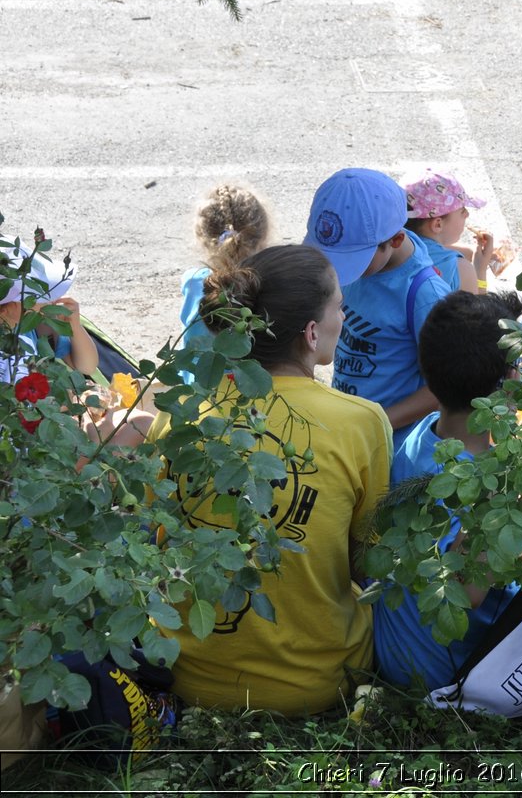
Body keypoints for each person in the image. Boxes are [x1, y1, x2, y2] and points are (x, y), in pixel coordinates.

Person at [169, 244, 391, 714]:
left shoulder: (179, 422)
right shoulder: (361, 422)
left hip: (189, 677)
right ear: (312, 333)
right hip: (317, 682)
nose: (344, 318)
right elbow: (367, 563)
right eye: (339, 307)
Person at [373, 289, 522, 692]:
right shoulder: (495, 486)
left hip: (392, 653)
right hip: (445, 674)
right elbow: (467, 593)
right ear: (508, 382)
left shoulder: (417, 438)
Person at [304, 168, 452, 442]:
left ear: (395, 240)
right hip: (349, 423)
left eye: (353, 259)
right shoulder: (364, 265)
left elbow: (445, 385)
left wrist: (375, 423)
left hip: (389, 444)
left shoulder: (425, 296)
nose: (338, 269)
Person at [177, 184, 272, 370]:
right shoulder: (272, 285)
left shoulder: (193, 282)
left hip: (196, 395)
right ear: (264, 236)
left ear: (201, 236)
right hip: (254, 395)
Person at [0, 235, 96, 383]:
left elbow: (87, 367)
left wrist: (74, 327)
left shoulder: (38, 325)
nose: (50, 299)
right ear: (4, 310)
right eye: (36, 296)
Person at [401, 168, 496, 293]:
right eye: (462, 210)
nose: (467, 214)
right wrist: (480, 269)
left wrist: (470, 251)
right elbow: (481, 311)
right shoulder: (461, 270)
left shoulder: (392, 242)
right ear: (438, 224)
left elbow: (429, 247)